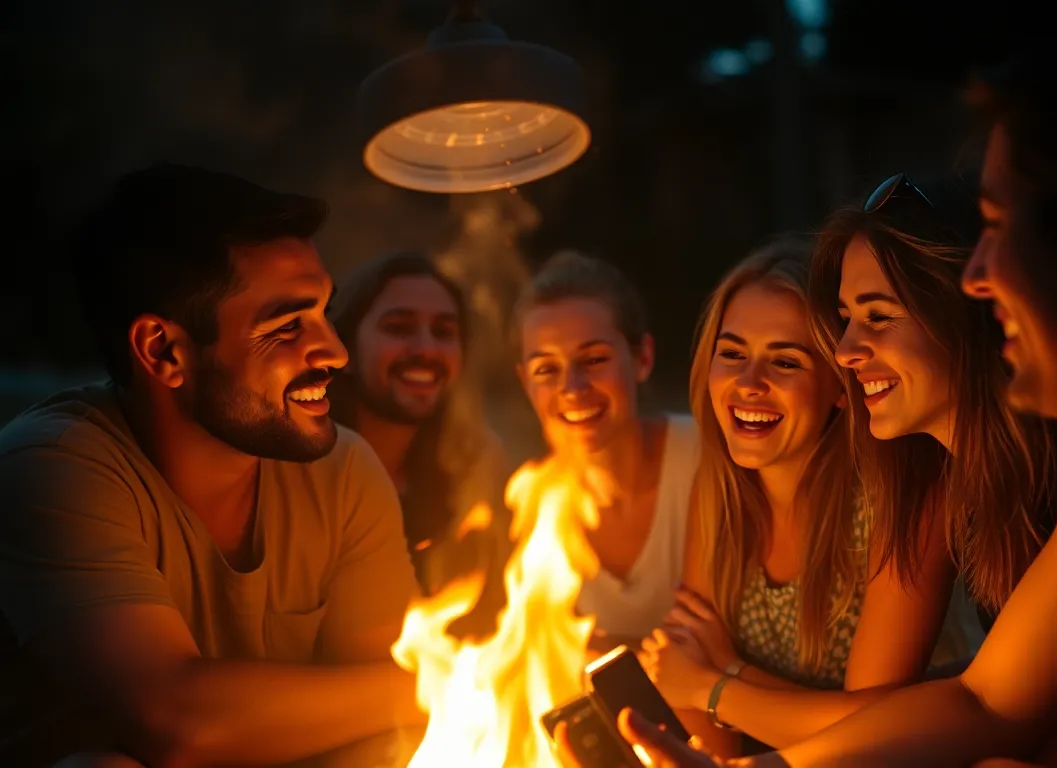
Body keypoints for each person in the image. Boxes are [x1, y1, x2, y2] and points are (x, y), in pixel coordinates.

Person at [579, 9, 1057, 768]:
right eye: (843, 318)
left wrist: (724, 693)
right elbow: (988, 701)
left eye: (998, 228)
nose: (981, 275)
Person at [0, 164, 424, 768]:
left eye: (326, 314)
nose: (335, 351)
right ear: (164, 351)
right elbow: (173, 723)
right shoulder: (53, 469)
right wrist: (446, 680)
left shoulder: (344, 472)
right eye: (286, 326)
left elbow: (382, 730)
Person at [640, 239, 982, 756]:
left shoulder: (901, 498)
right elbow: (695, 698)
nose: (749, 382)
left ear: (840, 387)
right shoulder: (720, 494)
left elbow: (870, 734)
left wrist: (720, 681)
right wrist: (710, 693)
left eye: (786, 362)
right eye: (731, 354)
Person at [514, 251, 700, 650]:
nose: (573, 388)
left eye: (594, 359)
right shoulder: (531, 506)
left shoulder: (707, 459)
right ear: (524, 382)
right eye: (546, 369)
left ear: (642, 358)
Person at [328, 251, 511, 640]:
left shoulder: (473, 467)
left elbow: (497, 622)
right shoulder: (303, 472)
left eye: (444, 332)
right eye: (399, 327)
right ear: (342, 351)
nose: (426, 349)